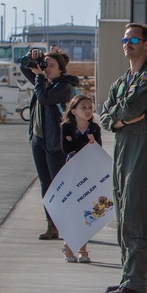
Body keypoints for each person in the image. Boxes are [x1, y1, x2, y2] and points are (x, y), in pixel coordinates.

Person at [99, 23, 147, 293]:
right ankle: (133, 275)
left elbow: (130, 108)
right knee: (123, 216)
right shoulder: (122, 80)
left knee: (136, 216)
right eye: (125, 39)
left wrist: (120, 116)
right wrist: (120, 119)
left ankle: (136, 282)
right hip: (122, 150)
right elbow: (105, 116)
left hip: (141, 149)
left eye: (134, 39)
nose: (128, 44)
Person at [20, 48, 80, 241]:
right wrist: (31, 57)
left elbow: (45, 98)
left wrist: (39, 77)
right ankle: (52, 226)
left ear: (61, 70)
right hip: (39, 140)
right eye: (45, 65)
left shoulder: (64, 86)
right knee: (45, 184)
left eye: (51, 65)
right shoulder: (43, 82)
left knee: (60, 185)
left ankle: (69, 224)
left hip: (56, 143)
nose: (46, 69)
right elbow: (23, 67)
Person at [59, 94, 102, 263]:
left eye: (90, 107)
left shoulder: (95, 128)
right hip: (72, 171)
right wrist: (84, 140)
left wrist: (79, 142)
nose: (88, 111)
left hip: (89, 171)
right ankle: (68, 244)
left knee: (86, 210)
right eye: (83, 107)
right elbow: (66, 148)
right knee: (73, 209)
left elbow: (97, 149)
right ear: (74, 110)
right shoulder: (67, 127)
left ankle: (83, 249)